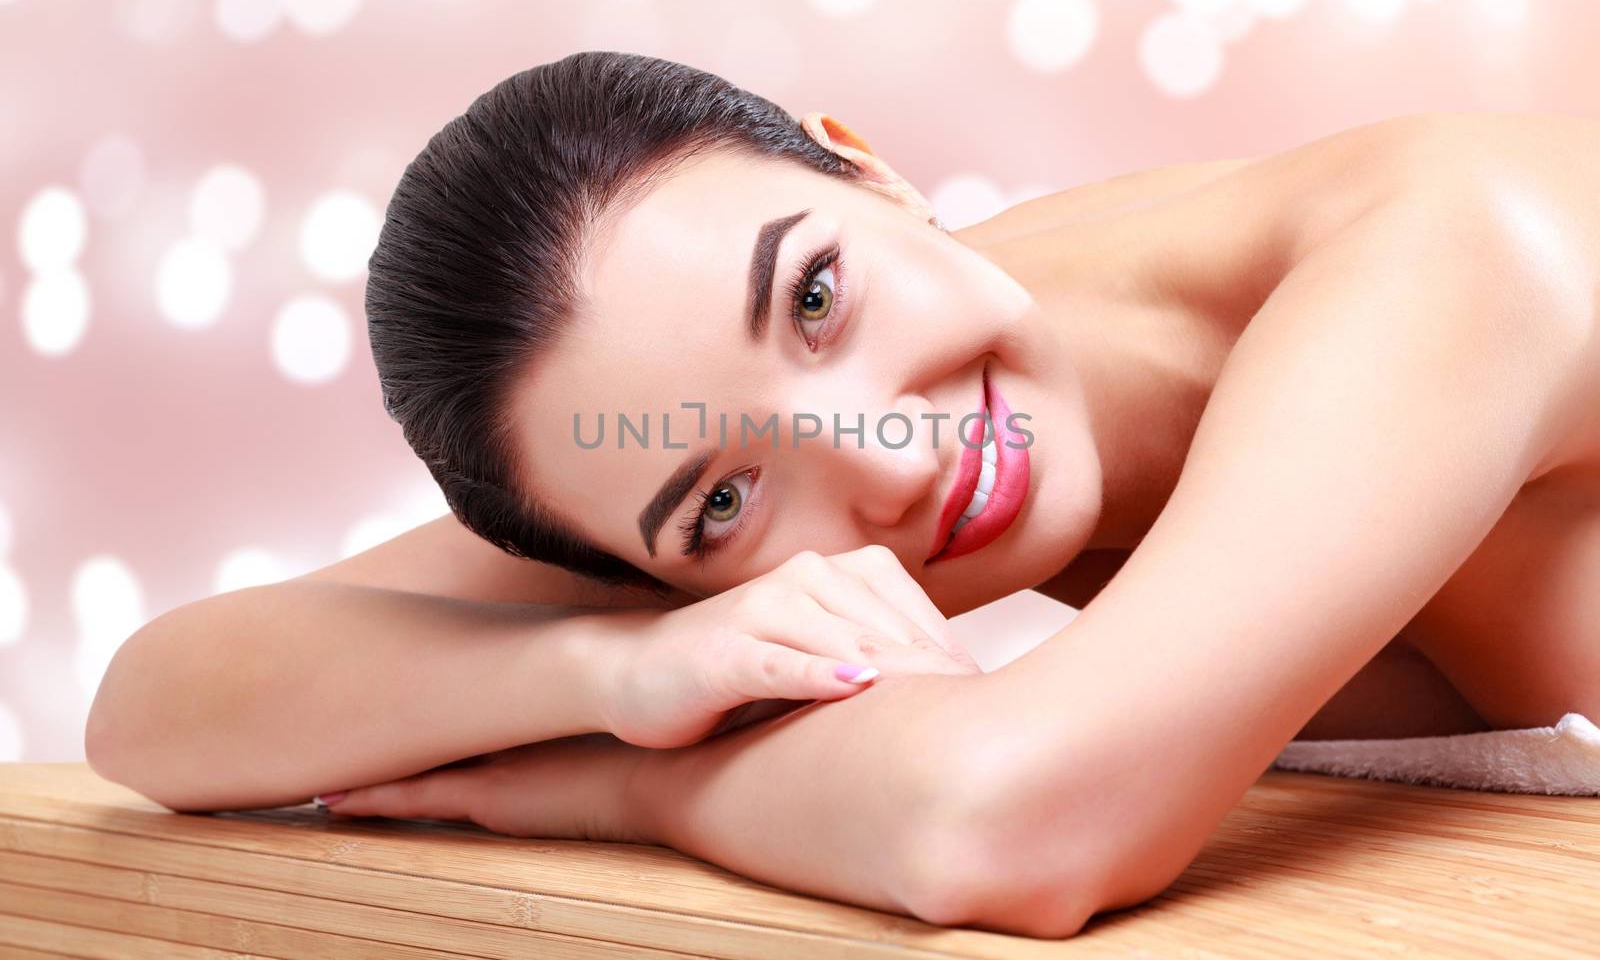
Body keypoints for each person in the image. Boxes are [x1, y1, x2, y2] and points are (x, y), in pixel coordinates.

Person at [86, 51, 1599, 938]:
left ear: (867, 170)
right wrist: (622, 668)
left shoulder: (1439, 250)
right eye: (720, 506)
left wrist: (615, 781)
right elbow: (157, 710)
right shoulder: (702, 457)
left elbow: (1008, 820)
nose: (888, 458)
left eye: (813, 297)